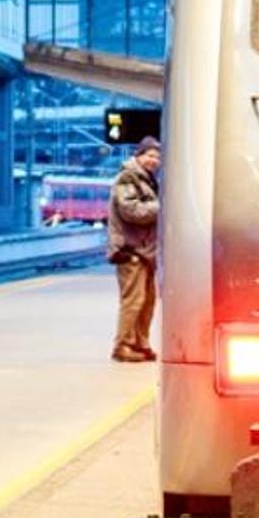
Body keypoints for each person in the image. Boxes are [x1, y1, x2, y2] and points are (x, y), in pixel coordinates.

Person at [107, 137, 162, 363]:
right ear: (138, 156)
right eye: (149, 156)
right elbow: (132, 211)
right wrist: (162, 206)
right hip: (130, 251)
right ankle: (123, 345)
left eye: (157, 157)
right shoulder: (127, 179)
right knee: (133, 300)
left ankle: (140, 342)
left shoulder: (147, 180)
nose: (154, 161)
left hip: (145, 251)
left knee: (148, 300)